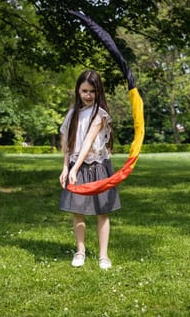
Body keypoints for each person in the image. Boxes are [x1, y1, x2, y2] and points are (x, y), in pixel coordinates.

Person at [59, 69, 121, 270]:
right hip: (76, 166)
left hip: (97, 166)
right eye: (84, 90)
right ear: (77, 90)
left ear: (98, 92)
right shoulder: (72, 114)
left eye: (92, 91)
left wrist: (74, 168)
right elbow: (68, 144)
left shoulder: (100, 114)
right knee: (77, 211)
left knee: (102, 212)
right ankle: (80, 251)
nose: (87, 95)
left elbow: (87, 143)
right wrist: (65, 168)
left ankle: (103, 256)